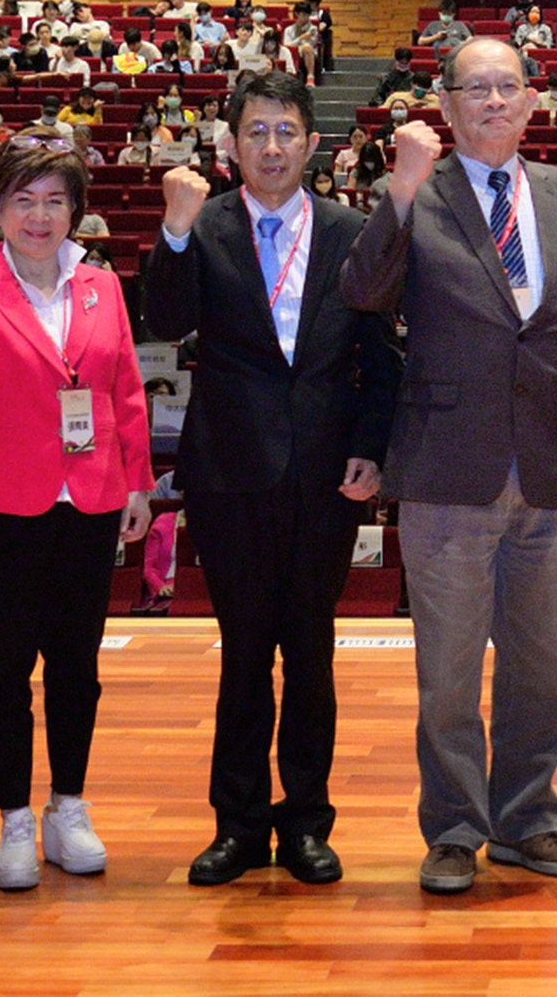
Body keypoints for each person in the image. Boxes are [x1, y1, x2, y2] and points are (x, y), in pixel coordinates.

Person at [341, 38, 557, 896]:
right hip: (446, 468)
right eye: (476, 89)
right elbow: (364, 293)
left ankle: (528, 820)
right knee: (450, 676)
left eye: (508, 87)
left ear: (533, 100)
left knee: (544, 670)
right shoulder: (415, 195)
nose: (494, 102)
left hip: (551, 470)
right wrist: (396, 188)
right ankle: (456, 829)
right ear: (446, 102)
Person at [142, 71, 398, 889]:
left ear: (312, 143)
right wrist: (173, 234)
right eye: (256, 133)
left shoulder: (353, 229)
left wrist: (373, 447)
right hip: (232, 472)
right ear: (231, 146)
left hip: (327, 472)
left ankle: (310, 823)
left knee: (312, 652)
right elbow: (164, 321)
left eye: (287, 131)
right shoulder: (204, 225)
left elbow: (380, 357)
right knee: (245, 655)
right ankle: (239, 825)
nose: (273, 147)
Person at [0, 139, 155, 891]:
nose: (39, 215)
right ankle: (13, 818)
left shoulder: (101, 285)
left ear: (76, 213)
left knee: (77, 665)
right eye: (23, 200)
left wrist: (138, 483)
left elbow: (123, 387)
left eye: (55, 200)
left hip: (88, 495)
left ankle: (68, 805)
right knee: (3, 665)